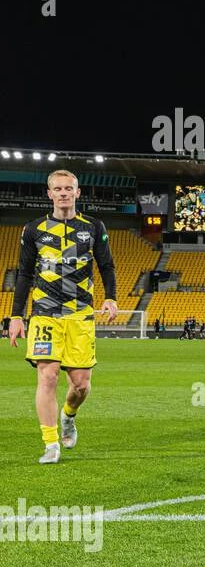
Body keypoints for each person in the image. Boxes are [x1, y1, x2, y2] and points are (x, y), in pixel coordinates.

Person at [7, 169, 118, 464]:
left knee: (80, 384)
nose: (64, 193)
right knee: (48, 376)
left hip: (80, 314)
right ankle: (51, 443)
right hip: (44, 313)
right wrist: (16, 315)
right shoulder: (34, 229)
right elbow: (24, 274)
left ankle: (69, 416)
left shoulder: (94, 227)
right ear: (50, 194)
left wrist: (110, 297)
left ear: (78, 193)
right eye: (58, 189)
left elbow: (107, 265)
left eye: (69, 188)